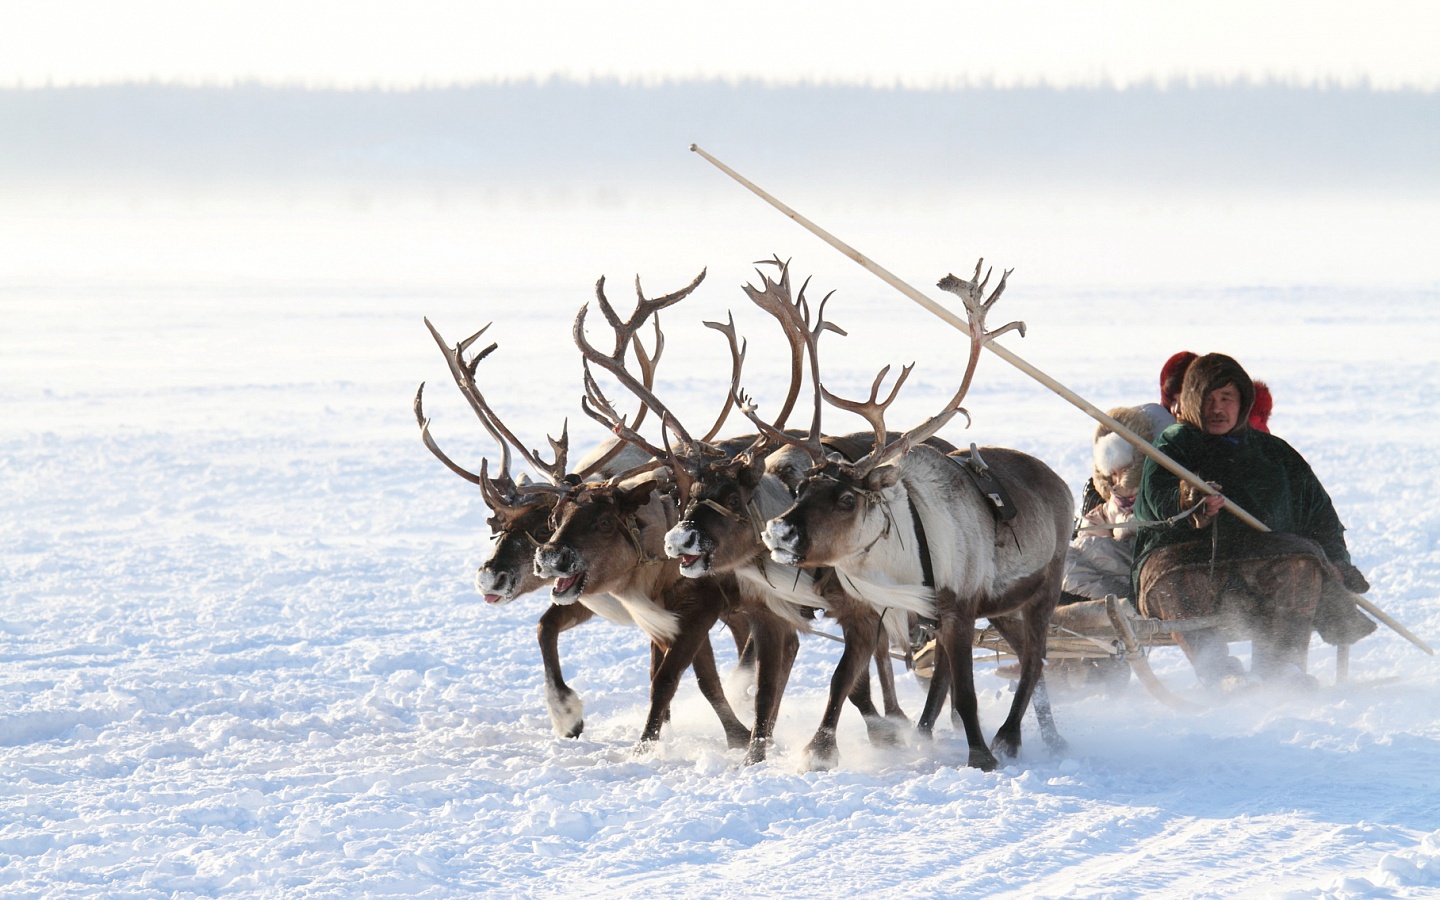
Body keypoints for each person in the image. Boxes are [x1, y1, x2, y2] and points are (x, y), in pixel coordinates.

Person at [1131, 353, 1375, 690]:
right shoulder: (1172, 445)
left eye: (1226, 398)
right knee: (1175, 578)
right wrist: (1189, 504)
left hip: (1259, 570)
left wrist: (1336, 561)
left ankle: (1282, 669)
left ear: (1243, 401)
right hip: (1188, 562)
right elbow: (1153, 502)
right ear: (1190, 402)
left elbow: (1320, 517)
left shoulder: (1275, 453)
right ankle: (1220, 674)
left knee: (1301, 562)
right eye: (1208, 399)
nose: (1217, 408)